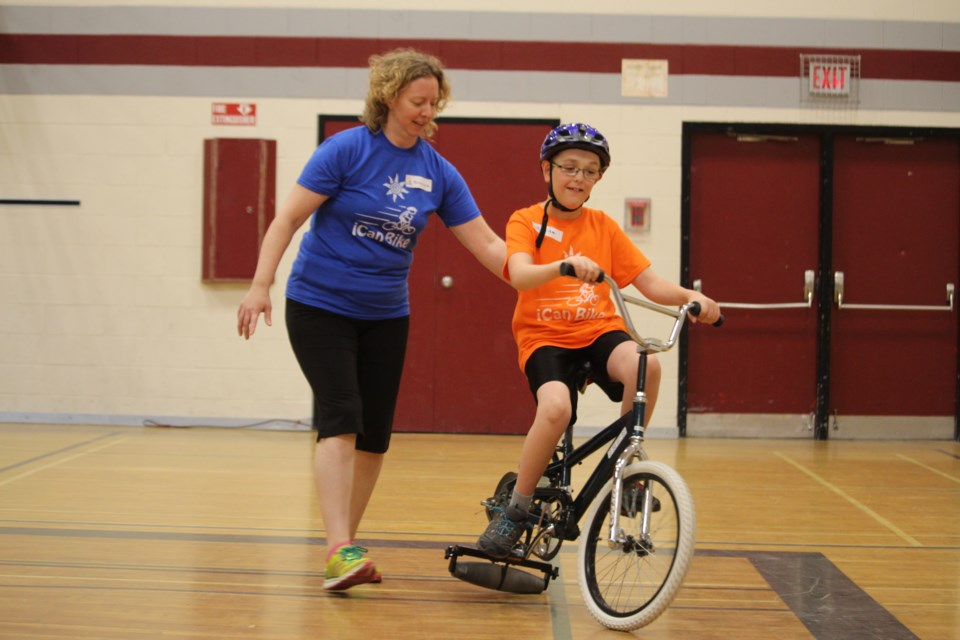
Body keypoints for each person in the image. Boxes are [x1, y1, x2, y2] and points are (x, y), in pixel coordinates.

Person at [236, 48, 506, 590]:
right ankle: (339, 548)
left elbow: (489, 246)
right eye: (417, 101)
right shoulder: (346, 150)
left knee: (375, 435)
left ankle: (345, 549)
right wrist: (260, 283)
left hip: (385, 314)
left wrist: (542, 275)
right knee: (342, 412)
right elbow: (287, 218)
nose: (428, 112)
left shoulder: (438, 172)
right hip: (319, 305)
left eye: (435, 103)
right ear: (388, 96)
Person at [476, 123, 721, 559]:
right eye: (569, 167)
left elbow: (647, 282)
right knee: (555, 409)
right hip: (545, 336)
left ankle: (626, 478)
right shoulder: (527, 220)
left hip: (598, 331)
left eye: (590, 171)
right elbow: (519, 274)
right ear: (546, 171)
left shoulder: (603, 226)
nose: (579, 178)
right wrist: (564, 266)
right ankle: (516, 510)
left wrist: (691, 297)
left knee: (648, 364)